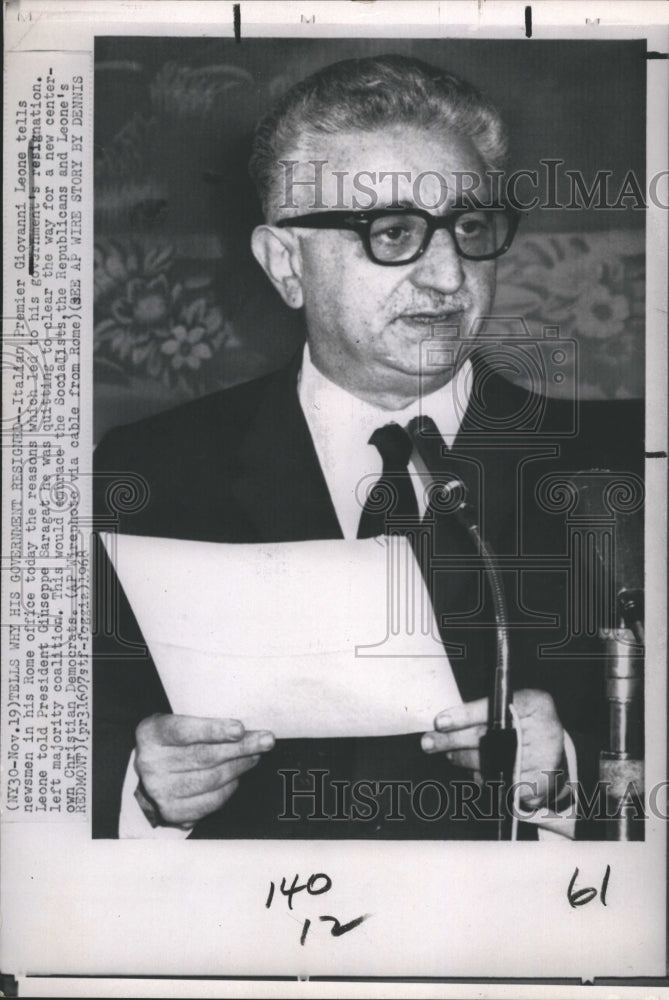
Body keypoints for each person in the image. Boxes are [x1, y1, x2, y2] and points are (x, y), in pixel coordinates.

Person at [93, 54, 643, 840]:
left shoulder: (625, 468)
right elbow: (58, 762)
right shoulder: (150, 469)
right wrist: (142, 789)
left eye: (469, 228)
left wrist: (574, 776)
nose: (448, 276)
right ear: (286, 264)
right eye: (392, 233)